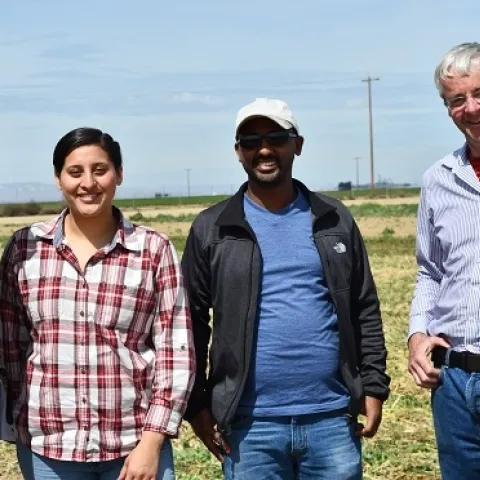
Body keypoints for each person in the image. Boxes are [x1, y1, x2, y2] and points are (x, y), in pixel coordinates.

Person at [181, 98, 390, 479]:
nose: (264, 149)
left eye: (277, 137)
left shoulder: (334, 218)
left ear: (298, 144)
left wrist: (373, 385)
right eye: (250, 141)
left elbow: (364, 308)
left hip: (331, 417)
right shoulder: (212, 228)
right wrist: (197, 406)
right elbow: (190, 323)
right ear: (237, 152)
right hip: (248, 425)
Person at [0, 127, 195, 480]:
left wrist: (151, 443)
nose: (88, 183)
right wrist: (20, 420)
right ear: (59, 178)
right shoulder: (24, 250)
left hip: (133, 444)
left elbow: (175, 352)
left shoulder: (153, 250)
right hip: (50, 449)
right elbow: (13, 348)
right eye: (75, 172)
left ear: (118, 174)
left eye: (100, 170)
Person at [408, 42, 480, 479]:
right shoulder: (438, 180)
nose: (471, 108)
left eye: (479, 93)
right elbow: (430, 270)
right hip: (454, 381)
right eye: (457, 100)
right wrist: (418, 333)